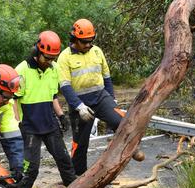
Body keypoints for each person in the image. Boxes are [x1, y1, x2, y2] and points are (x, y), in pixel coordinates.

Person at [57, 19, 142, 175]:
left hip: (101, 97)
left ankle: (131, 148)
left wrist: (112, 99)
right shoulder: (64, 57)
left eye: (91, 41)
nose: (88, 45)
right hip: (80, 102)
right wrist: (79, 106)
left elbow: (107, 77)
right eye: (84, 42)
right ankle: (78, 175)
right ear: (74, 39)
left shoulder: (97, 51)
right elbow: (65, 86)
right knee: (80, 143)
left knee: (120, 120)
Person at [13, 31, 77, 188]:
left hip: (50, 123)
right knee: (31, 168)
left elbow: (53, 96)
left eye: (53, 58)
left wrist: (61, 116)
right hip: (30, 126)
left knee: (64, 160)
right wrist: (18, 124)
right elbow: (14, 100)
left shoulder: (53, 68)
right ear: (37, 51)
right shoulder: (22, 70)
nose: (50, 62)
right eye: (47, 58)